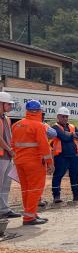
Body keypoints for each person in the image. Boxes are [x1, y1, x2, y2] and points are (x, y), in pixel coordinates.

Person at [11, 100, 53, 225]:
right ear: (39, 111)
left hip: (19, 162)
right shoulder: (38, 125)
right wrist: (50, 162)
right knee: (35, 189)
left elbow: (12, 144)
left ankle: (31, 213)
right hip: (34, 162)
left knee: (26, 189)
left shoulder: (16, 125)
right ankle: (29, 217)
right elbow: (44, 146)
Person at [50, 107, 78, 203]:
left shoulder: (71, 126)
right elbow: (63, 137)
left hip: (74, 155)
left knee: (75, 175)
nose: (65, 118)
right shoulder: (55, 127)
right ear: (58, 116)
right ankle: (56, 196)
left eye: (66, 117)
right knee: (58, 175)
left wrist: (70, 134)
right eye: (63, 116)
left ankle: (76, 195)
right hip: (61, 156)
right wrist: (73, 135)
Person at [0, 91, 19, 219]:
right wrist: (9, 149)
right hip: (2, 156)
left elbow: (9, 136)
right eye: (8, 104)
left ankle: (4, 209)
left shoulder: (6, 119)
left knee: (6, 184)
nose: (11, 107)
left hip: (7, 156)